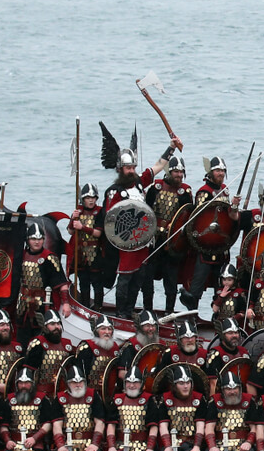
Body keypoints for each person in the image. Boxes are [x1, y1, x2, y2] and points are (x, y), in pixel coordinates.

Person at [103, 137, 181, 318]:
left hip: (143, 242)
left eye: (133, 168)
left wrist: (171, 148)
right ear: (120, 169)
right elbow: (110, 219)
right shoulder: (115, 191)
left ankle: (130, 310)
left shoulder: (139, 183)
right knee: (124, 279)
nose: (131, 171)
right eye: (128, 168)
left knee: (138, 279)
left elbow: (158, 166)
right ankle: (121, 313)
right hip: (126, 244)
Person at [180, 155, 230, 311]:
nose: (220, 173)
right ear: (210, 172)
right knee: (197, 285)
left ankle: (218, 316)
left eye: (222, 170)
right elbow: (199, 219)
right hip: (205, 245)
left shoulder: (224, 190)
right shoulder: (204, 192)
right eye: (217, 171)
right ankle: (192, 315)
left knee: (220, 285)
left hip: (221, 245)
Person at [144, 155, 193, 313]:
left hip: (172, 241)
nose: (178, 175)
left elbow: (187, 216)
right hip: (153, 239)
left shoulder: (185, 191)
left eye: (181, 172)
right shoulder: (156, 187)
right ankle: (148, 310)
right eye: (176, 172)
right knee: (148, 276)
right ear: (168, 172)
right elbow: (146, 209)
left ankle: (169, 311)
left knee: (171, 278)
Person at [15, 222, 71, 344]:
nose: (37, 242)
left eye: (40, 239)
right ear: (28, 240)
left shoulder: (49, 258)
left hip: (42, 303)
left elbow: (62, 283)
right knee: (21, 337)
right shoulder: (22, 256)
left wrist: (65, 303)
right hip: (23, 304)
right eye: (33, 239)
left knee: (42, 337)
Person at [103, 365, 159, 451]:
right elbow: (111, 425)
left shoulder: (149, 400)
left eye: (136, 382)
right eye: (129, 382)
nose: (132, 385)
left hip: (142, 446)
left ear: (141, 383)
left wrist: (150, 448)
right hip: (119, 445)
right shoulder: (117, 400)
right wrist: (112, 447)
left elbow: (153, 426)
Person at [52, 363, 105, 451]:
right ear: (68, 384)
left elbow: (100, 422)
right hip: (68, 442)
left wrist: (95, 444)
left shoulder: (93, 395)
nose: (78, 385)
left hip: (89, 442)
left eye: (81, 382)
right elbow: (57, 425)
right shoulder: (60, 398)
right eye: (74, 382)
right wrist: (61, 446)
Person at [0, 366, 52, 451]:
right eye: (20, 383)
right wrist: (7, 440)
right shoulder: (9, 400)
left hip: (35, 442)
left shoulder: (42, 399)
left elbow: (48, 424)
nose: (23, 386)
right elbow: (3, 425)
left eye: (27, 383)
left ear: (32, 384)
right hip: (14, 443)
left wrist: (34, 438)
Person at [67, 183, 106, 311]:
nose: (91, 200)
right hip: (80, 253)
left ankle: (98, 307)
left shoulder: (100, 212)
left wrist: (82, 227)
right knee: (83, 282)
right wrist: (73, 219)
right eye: (88, 198)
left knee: (97, 283)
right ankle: (84, 306)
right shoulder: (78, 211)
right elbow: (70, 231)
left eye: (93, 198)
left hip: (95, 253)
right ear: (83, 199)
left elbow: (98, 233)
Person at [156, 365, 206, 451]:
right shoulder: (165, 399)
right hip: (171, 443)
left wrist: (197, 447)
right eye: (181, 383)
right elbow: (163, 425)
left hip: (191, 444)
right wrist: (167, 447)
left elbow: (200, 425)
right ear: (174, 385)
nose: (186, 386)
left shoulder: (199, 398)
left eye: (188, 382)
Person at [205, 370, 256, 451]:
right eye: (228, 389)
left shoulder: (248, 401)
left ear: (240, 388)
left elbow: (254, 427)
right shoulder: (215, 402)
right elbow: (209, 427)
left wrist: (249, 442)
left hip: (242, 443)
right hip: (220, 443)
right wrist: (212, 447)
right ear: (223, 390)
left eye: (235, 388)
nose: (232, 392)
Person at [23, 309, 74, 397]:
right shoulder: (38, 344)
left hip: (63, 393)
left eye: (58, 324)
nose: (56, 327)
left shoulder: (67, 344)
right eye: (52, 324)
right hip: (42, 393)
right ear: (45, 326)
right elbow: (29, 372)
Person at [76, 315, 120, 395]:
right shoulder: (87, 347)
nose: (107, 332)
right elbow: (80, 373)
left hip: (109, 394)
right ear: (97, 331)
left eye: (109, 329)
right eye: (103, 329)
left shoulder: (115, 348)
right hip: (90, 393)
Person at [206, 319, 250, 396]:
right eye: (230, 333)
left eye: (236, 332)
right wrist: (213, 403)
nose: (234, 336)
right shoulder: (215, 355)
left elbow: (249, 380)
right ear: (222, 335)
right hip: (223, 396)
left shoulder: (244, 352)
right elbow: (213, 384)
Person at [116, 310, 160, 381]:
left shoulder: (162, 345)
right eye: (147, 326)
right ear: (141, 328)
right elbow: (122, 373)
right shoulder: (130, 347)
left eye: (153, 326)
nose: (151, 329)